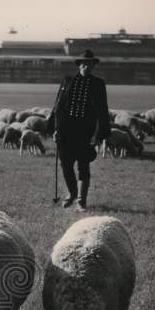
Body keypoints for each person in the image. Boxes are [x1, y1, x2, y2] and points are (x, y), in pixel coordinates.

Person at [45, 49, 111, 209]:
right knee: (65, 164)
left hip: (85, 131)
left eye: (89, 64)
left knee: (83, 165)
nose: (86, 66)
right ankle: (72, 193)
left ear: (93, 66)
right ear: (79, 65)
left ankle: (81, 200)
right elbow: (58, 105)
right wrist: (54, 128)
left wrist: (98, 134)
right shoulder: (67, 81)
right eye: (83, 64)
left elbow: (102, 110)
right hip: (65, 130)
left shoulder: (98, 84)